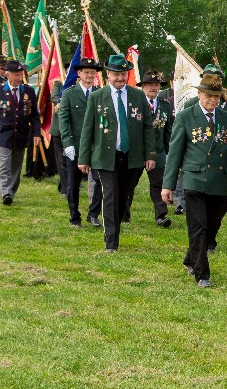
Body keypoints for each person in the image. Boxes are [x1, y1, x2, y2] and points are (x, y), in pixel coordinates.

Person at [162, 69, 227, 286]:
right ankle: (202, 274)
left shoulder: (226, 119)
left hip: (220, 182)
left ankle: (190, 259)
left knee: (211, 226)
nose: (212, 100)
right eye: (209, 95)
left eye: (216, 96)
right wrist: (168, 186)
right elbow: (174, 154)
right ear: (199, 94)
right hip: (194, 180)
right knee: (197, 226)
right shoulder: (185, 117)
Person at [77, 55, 156, 253]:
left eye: (123, 74)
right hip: (105, 155)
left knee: (123, 196)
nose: (120, 78)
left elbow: (147, 127)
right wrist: (84, 158)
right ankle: (111, 241)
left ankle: (116, 227)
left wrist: (150, 154)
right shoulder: (97, 97)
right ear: (108, 75)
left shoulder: (138, 96)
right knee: (110, 196)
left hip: (132, 156)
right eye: (116, 74)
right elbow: (88, 129)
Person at [0, 59, 38, 204]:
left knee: (16, 166)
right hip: (2, 134)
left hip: (21, 134)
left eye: (21, 75)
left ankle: (11, 191)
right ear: (7, 75)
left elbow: (35, 115)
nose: (19, 78)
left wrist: (36, 133)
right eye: (16, 75)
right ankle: (5, 192)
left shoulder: (28, 91)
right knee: (4, 163)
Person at [57, 58, 104, 226]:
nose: (90, 75)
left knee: (98, 181)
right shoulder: (69, 94)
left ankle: (93, 215)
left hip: (96, 146)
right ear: (79, 74)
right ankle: (74, 216)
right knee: (73, 183)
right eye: (86, 72)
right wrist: (67, 143)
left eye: (93, 72)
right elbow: (64, 120)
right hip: (75, 146)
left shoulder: (100, 93)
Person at [139, 70, 175, 227]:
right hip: (138, 151)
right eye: (150, 85)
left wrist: (170, 153)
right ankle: (123, 213)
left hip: (158, 151)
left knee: (159, 183)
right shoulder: (136, 104)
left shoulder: (165, 106)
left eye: (156, 85)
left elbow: (167, 131)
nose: (153, 88)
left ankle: (161, 215)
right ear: (143, 87)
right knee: (129, 184)